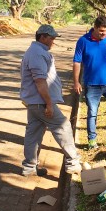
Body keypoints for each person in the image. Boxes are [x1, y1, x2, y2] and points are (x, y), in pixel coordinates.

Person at [20, 24, 81, 177]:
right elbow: (40, 81)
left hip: (35, 102)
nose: (53, 41)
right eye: (51, 38)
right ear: (42, 37)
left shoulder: (38, 51)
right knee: (63, 126)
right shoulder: (37, 54)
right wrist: (48, 104)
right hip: (40, 102)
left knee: (33, 133)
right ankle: (72, 163)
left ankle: (29, 168)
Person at [73, 16, 106, 150]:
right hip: (91, 85)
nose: (104, 34)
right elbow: (77, 62)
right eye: (102, 31)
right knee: (92, 112)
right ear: (95, 28)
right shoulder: (83, 41)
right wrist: (76, 82)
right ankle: (92, 140)